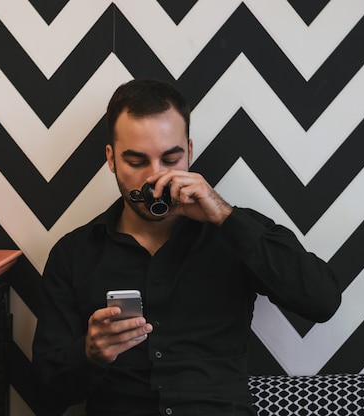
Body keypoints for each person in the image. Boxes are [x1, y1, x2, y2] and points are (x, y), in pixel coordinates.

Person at [32, 78, 341, 416]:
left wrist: (224, 216)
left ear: (189, 153)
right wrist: (90, 353)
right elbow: (45, 394)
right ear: (111, 159)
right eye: (136, 162)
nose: (154, 177)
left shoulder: (235, 232)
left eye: (170, 159)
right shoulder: (74, 254)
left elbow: (322, 301)